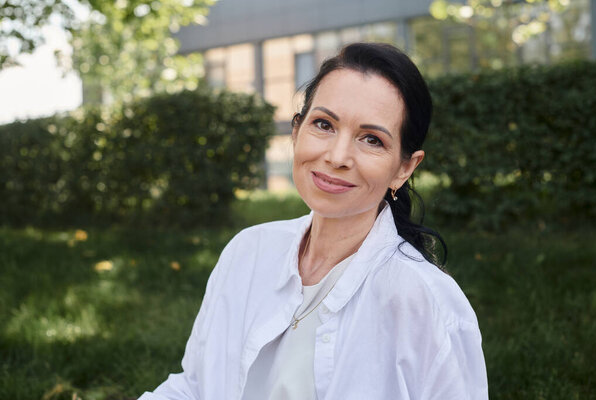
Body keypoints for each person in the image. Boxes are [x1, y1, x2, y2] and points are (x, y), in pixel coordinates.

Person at [139, 42, 488, 400]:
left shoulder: (425, 301)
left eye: (371, 139)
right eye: (324, 124)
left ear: (404, 168)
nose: (337, 156)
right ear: (296, 131)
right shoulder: (247, 251)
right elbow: (194, 386)